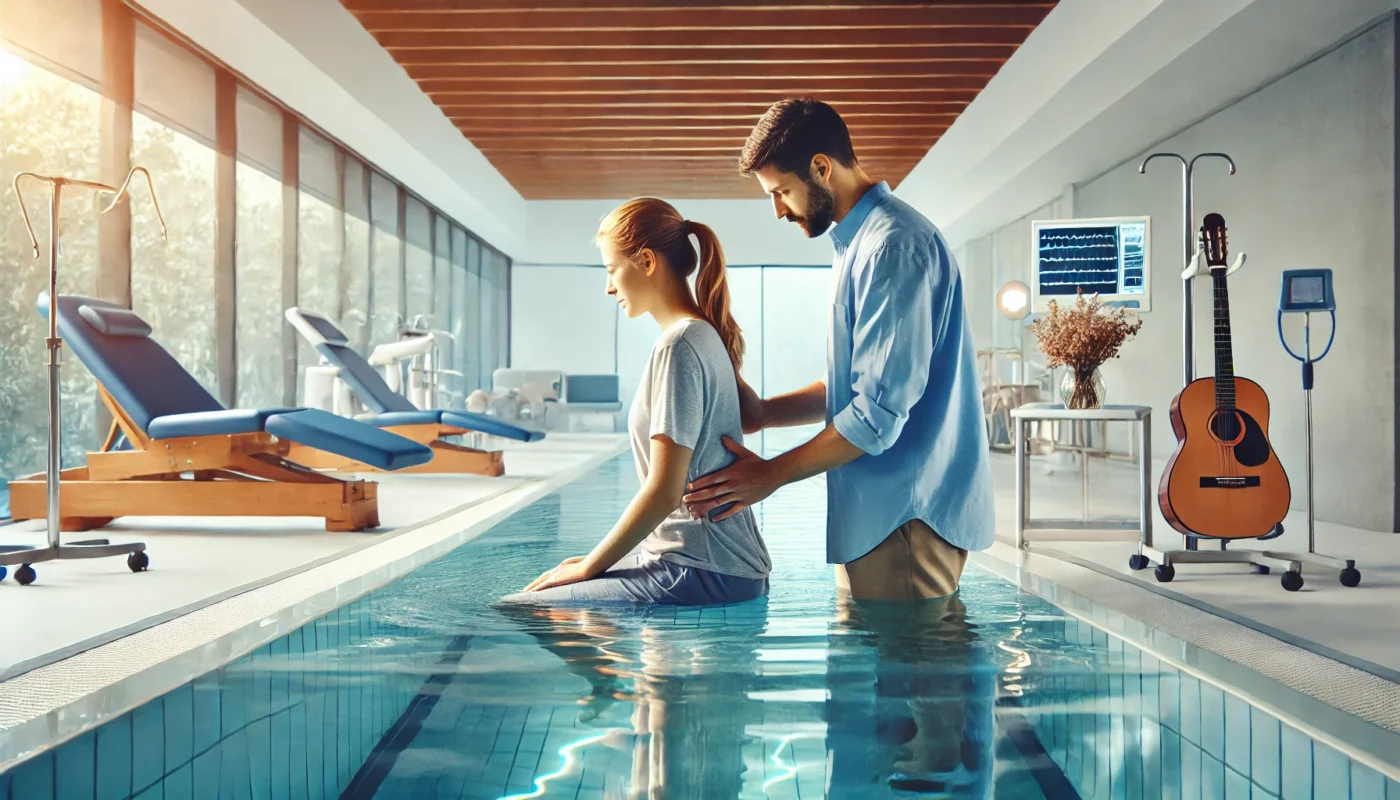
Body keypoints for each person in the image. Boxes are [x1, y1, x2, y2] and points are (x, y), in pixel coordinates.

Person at [681, 97, 995, 602]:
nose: (779, 210)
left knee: (913, 669)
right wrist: (763, 413)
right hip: (878, 514)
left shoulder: (891, 248)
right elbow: (859, 383)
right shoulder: (858, 245)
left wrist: (770, 476)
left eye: (781, 191)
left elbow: (875, 414)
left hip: (904, 516)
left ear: (821, 168)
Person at [500, 197, 772, 606]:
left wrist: (590, 567)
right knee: (562, 586)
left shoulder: (679, 346)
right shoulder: (702, 335)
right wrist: (610, 560)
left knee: (521, 608)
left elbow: (665, 491)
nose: (609, 286)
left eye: (612, 270)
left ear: (646, 261)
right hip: (715, 562)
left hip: (703, 568)